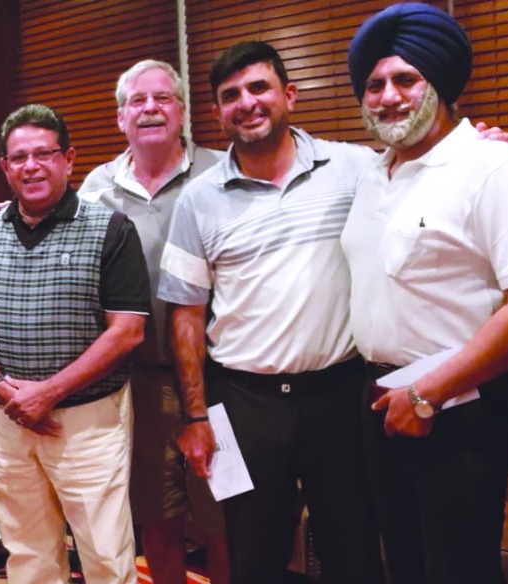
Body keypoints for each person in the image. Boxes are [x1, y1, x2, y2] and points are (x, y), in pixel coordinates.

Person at [157, 41, 385, 584]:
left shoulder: (356, 168)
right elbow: (186, 315)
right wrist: (196, 417)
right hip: (244, 404)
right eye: (230, 95)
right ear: (217, 112)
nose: (247, 102)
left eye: (259, 87)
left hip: (340, 395)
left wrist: (482, 143)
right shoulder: (198, 199)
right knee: (253, 557)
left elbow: (427, 176)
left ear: (290, 95)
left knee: (353, 552)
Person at [343, 4, 508, 582]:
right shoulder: (371, 174)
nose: (388, 97)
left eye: (406, 79)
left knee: (460, 572)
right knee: (404, 567)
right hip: (382, 401)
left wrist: (427, 393)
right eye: (374, 85)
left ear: (441, 84)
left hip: (462, 410)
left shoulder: (494, 168)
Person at [0, 103, 150, 583]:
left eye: (44, 154)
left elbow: (127, 331)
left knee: (105, 556)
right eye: (19, 157)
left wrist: (49, 392)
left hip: (87, 422)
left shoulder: (111, 229)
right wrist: (1, 389)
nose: (31, 166)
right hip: (8, 418)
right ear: (4, 166)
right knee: (27, 556)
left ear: (69, 159)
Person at [78, 59, 229, 584]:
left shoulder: (221, 172)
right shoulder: (96, 188)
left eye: (162, 98)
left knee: (222, 514)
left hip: (218, 378)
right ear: (120, 117)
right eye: (137, 101)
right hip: (137, 379)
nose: (150, 109)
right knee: (155, 512)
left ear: (182, 111)